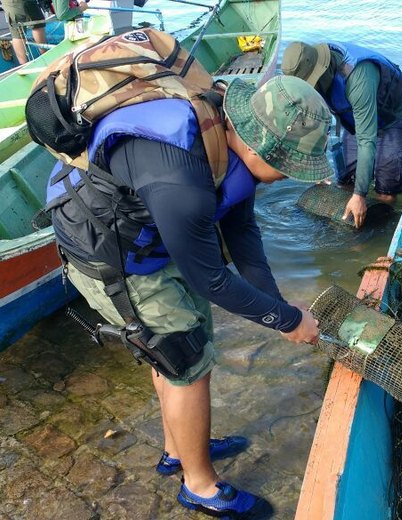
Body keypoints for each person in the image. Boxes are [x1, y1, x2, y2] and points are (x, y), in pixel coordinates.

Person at [45, 75, 331, 518]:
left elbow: (242, 232)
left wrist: (280, 307)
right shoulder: (182, 178)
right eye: (290, 166)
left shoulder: (224, 137)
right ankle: (198, 486)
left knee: (189, 347)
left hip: (152, 232)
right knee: (185, 362)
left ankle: (179, 447)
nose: (290, 177)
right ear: (257, 149)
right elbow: (212, 281)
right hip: (110, 255)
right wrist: (288, 322)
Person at [281, 40, 402, 228]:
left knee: (387, 188)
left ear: (322, 71)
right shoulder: (313, 73)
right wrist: (318, 170)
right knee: (346, 180)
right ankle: (350, 217)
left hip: (391, 117)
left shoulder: (358, 75)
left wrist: (360, 196)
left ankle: (380, 224)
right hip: (353, 114)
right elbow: (315, 122)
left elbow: (366, 140)